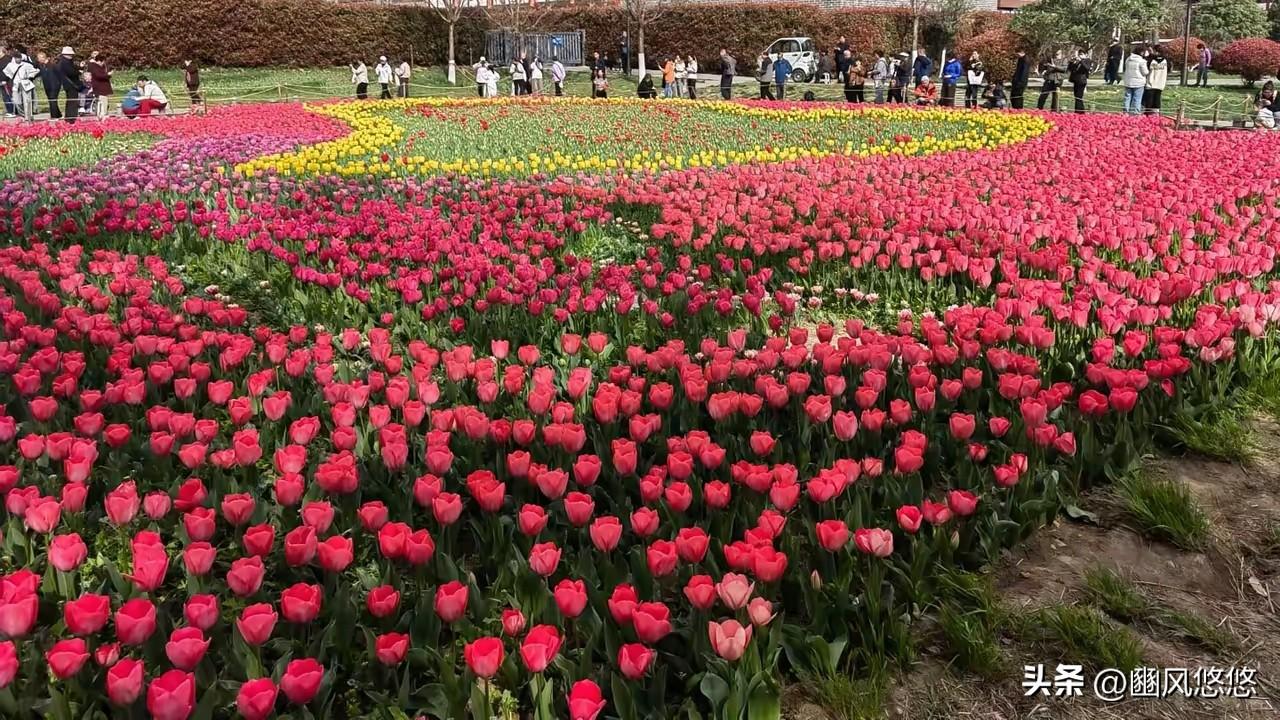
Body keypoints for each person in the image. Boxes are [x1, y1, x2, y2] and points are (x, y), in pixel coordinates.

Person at [4, 49, 37, 121]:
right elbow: (6, 72)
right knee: (17, 101)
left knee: (27, 100)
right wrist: (11, 77)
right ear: (14, 58)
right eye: (16, 58)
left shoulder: (26, 65)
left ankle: (28, 116)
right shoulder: (10, 65)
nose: (18, 59)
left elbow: (35, 71)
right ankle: (22, 113)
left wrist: (29, 76)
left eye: (19, 58)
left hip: (25, 83)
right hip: (16, 84)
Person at [55, 47, 84, 123]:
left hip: (69, 84)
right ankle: (71, 118)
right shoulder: (65, 62)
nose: (71, 56)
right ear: (66, 54)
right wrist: (79, 72)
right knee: (72, 102)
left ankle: (70, 117)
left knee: (71, 101)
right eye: (70, 54)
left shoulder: (65, 62)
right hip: (71, 84)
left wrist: (80, 68)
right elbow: (71, 72)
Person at [1122, 46, 1148, 115]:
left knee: (1127, 97)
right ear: (1141, 52)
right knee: (1137, 98)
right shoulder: (1142, 61)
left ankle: (1126, 111)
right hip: (1138, 82)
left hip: (1128, 81)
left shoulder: (1128, 59)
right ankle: (1136, 112)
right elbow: (1145, 72)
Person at [37, 51, 62, 120]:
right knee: (51, 100)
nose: (38, 60)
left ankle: (54, 116)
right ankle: (58, 114)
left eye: (39, 58)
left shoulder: (52, 65)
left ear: (43, 58)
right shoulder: (42, 66)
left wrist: (58, 83)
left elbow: (60, 74)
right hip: (47, 86)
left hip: (54, 85)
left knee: (52, 100)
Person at [87, 51, 112, 119]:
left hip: (101, 87)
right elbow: (99, 76)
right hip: (100, 88)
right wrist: (108, 75)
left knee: (103, 101)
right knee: (103, 101)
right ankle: (102, 114)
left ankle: (102, 113)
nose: (103, 63)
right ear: (100, 61)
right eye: (103, 61)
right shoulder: (95, 66)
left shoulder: (96, 66)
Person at [1144, 47, 1168, 115]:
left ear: (1157, 52)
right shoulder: (1165, 60)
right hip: (1161, 82)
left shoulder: (1151, 60)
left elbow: (1147, 68)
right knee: (1157, 98)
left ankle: (1148, 113)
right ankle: (1156, 113)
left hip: (1151, 82)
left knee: (1149, 100)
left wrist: (1150, 55)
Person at [1066, 50, 1091, 114]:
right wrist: (1072, 62)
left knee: (1079, 96)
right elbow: (1070, 69)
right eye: (1079, 54)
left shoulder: (1087, 60)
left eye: (1081, 54)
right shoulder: (1076, 61)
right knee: (1076, 96)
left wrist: (1081, 61)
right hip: (1076, 80)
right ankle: (1079, 110)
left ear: (1085, 55)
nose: (1080, 56)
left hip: (1082, 80)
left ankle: (1079, 112)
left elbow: (1087, 68)